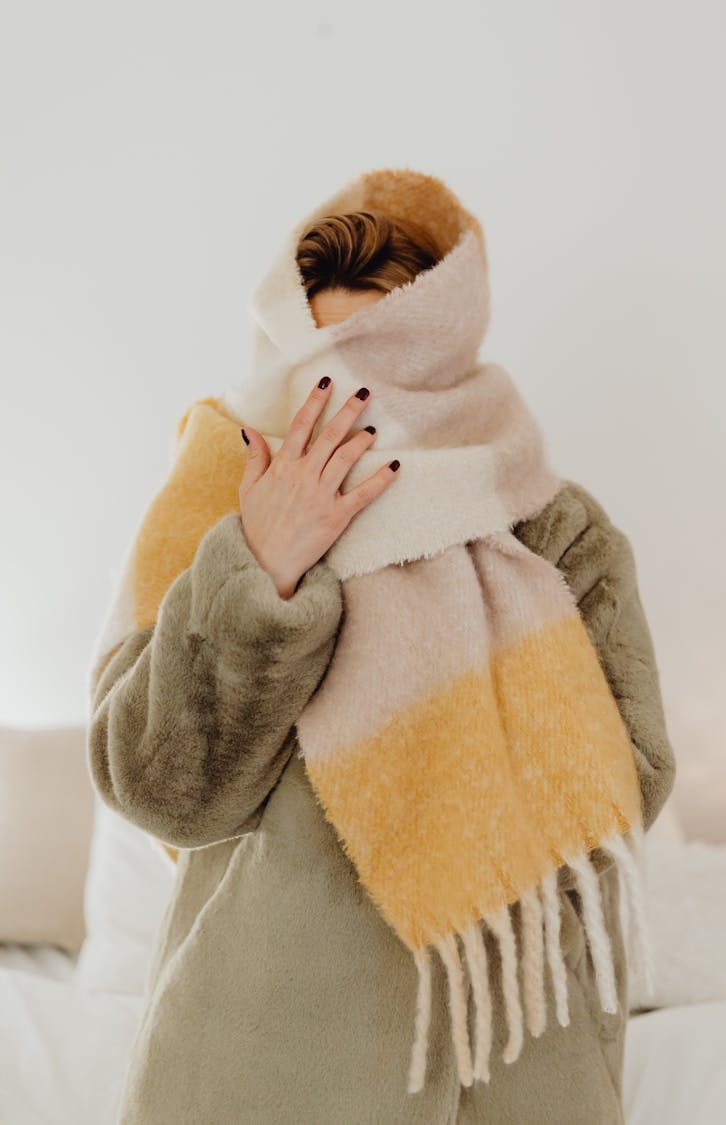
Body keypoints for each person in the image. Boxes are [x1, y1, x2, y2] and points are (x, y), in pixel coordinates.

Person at [88, 202, 676, 1124]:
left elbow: (628, 787)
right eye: (320, 367)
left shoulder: (555, 530)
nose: (349, 407)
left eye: (386, 370)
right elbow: (158, 792)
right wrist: (263, 573)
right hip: (260, 1065)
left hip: (515, 1063)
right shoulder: (221, 495)